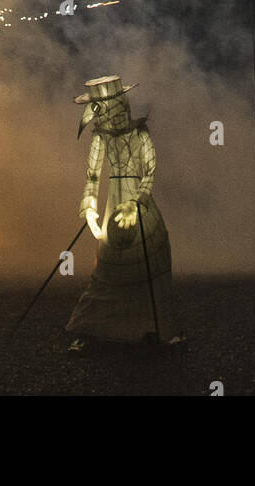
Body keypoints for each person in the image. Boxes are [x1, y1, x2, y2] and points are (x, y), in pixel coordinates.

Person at [67, 75, 177, 349]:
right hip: (112, 204)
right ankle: (94, 328)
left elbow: (149, 172)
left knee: (148, 265)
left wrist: (136, 203)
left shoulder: (140, 134)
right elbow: (92, 176)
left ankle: (153, 328)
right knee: (107, 267)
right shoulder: (100, 139)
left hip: (138, 206)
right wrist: (89, 205)